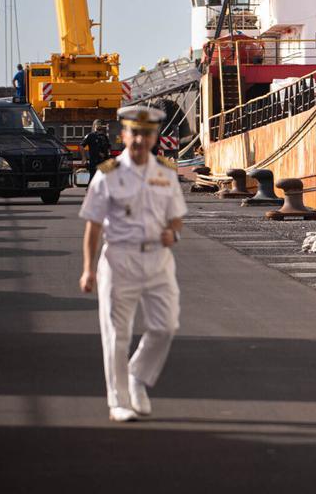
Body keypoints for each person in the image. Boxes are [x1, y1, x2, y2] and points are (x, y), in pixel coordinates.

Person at [78, 105, 186, 423]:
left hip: (158, 258)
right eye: (134, 133)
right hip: (119, 258)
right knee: (116, 333)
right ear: (123, 135)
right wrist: (88, 269)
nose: (140, 139)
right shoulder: (107, 174)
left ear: (155, 137)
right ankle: (118, 401)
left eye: (146, 133)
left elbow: (176, 216)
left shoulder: (166, 171)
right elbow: (93, 225)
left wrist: (173, 234)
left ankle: (137, 377)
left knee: (165, 326)